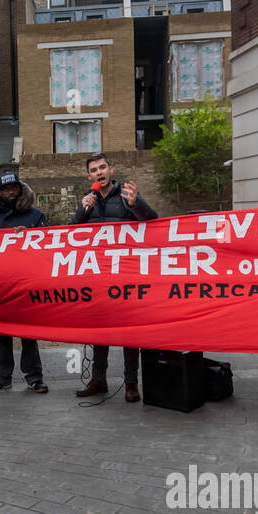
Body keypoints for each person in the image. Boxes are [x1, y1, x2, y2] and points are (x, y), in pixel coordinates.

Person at [73, 153, 159, 402]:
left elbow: (152, 221)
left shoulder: (126, 196)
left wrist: (136, 205)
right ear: (89, 176)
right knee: (100, 331)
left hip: (125, 275)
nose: (99, 173)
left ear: (111, 170)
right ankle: (99, 379)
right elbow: (71, 234)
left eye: (102, 167)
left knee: (128, 332)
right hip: (98, 276)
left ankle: (131, 383)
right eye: (94, 170)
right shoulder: (87, 202)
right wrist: (82, 210)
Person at [0, 171, 49, 394]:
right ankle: (1, 377)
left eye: (14, 188)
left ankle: (34, 377)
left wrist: (33, 235)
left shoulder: (35, 215)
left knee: (28, 332)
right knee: (0, 332)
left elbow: (49, 245)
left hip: (26, 281)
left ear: (20, 190)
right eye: (5, 189)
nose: (10, 193)